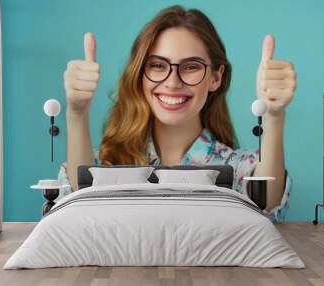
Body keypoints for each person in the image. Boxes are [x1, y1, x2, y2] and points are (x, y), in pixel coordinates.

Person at [58, 5, 297, 223]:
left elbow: (268, 205)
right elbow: (75, 209)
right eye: (158, 65)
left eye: (191, 66)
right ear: (140, 74)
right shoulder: (106, 163)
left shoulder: (237, 168)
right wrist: (76, 115)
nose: (172, 82)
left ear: (216, 77)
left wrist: (274, 115)